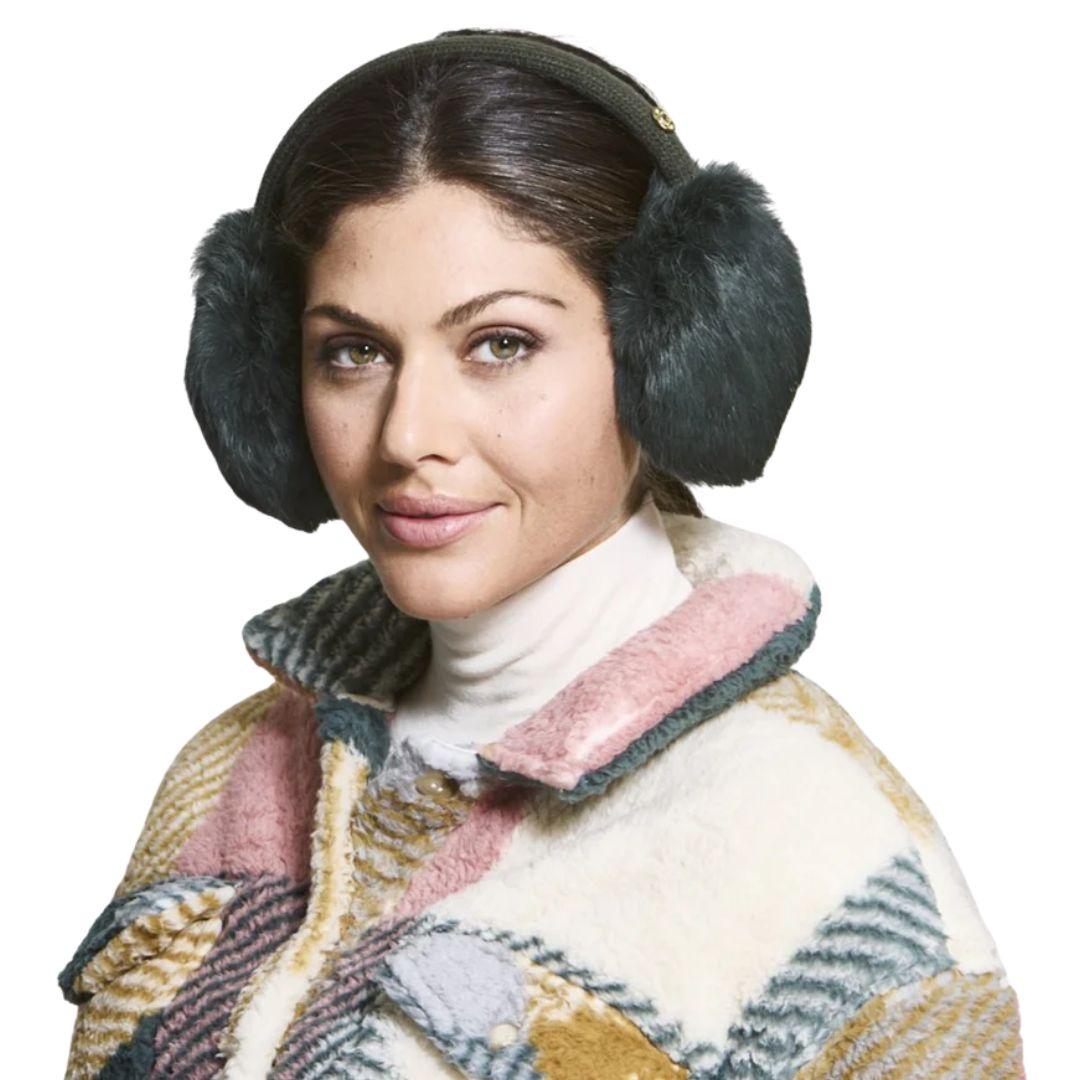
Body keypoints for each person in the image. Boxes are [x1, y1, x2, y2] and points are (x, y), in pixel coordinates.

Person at [58, 27, 1026, 1079]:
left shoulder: (815, 848)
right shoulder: (227, 773)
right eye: (355, 352)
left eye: (500, 345)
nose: (407, 435)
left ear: (667, 357)